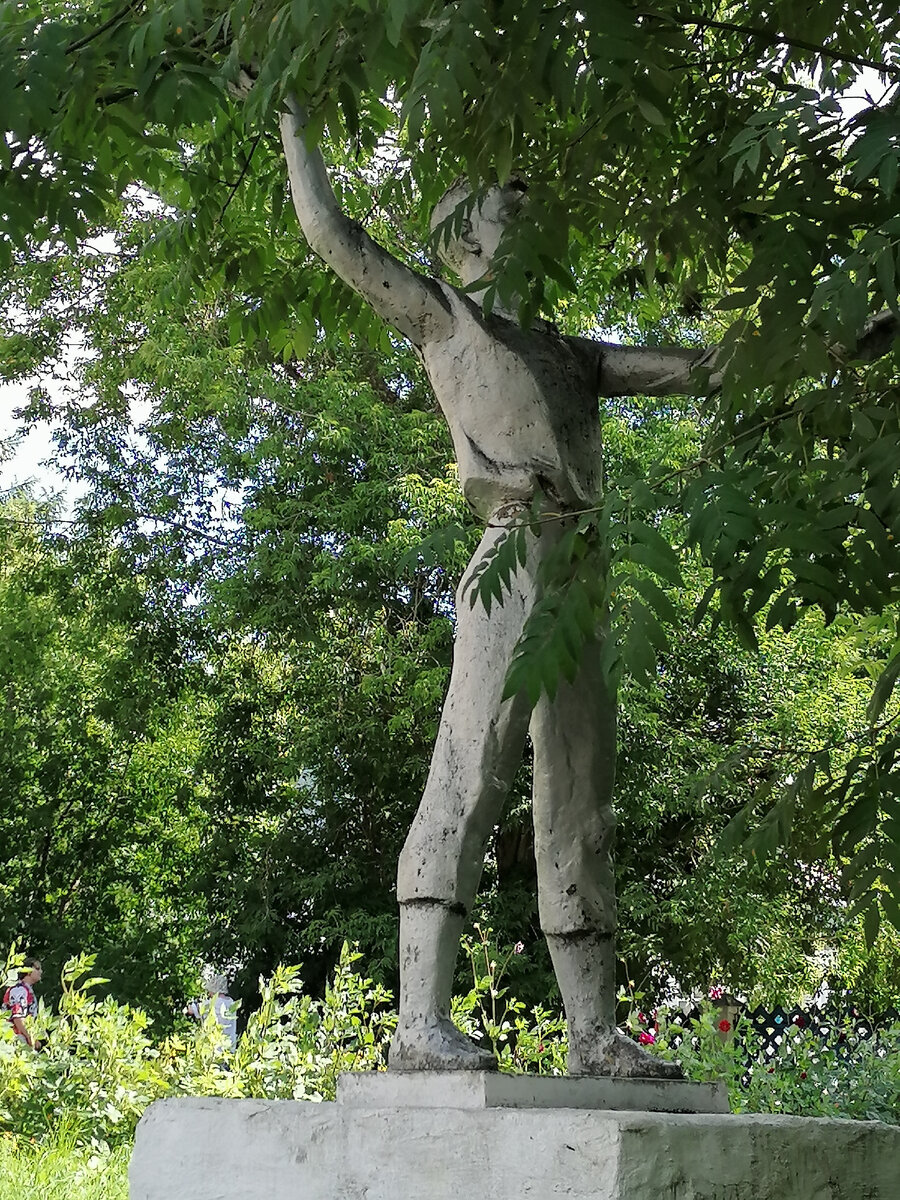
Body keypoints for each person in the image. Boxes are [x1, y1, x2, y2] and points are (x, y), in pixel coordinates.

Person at [279, 98, 720, 1077]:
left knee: (581, 794)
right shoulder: (444, 315)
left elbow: (706, 369)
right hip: (512, 555)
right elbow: (333, 236)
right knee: (470, 767)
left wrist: (829, 344)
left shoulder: (572, 352)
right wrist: (295, 120)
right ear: (463, 233)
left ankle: (594, 1035)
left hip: (582, 570)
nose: (523, 201)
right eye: (501, 197)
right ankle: (418, 1025)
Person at [186, 973, 238, 1050]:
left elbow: (191, 1010)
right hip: (230, 1046)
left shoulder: (212, 1003)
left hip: (215, 1048)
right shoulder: (231, 1002)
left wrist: (190, 1006)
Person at [2, 957, 42, 1048]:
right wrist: (30, 1037)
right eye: (37, 968)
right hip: (15, 1038)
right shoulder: (19, 989)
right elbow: (17, 1017)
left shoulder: (26, 989)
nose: (41, 972)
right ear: (28, 971)